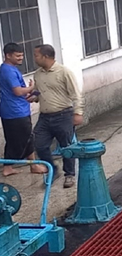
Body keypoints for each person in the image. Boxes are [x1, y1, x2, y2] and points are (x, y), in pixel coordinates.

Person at [32, 44, 83, 188]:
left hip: (63, 115)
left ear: (46, 56)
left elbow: (76, 95)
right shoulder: (38, 74)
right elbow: (38, 91)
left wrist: (78, 112)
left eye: (36, 55)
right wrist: (33, 97)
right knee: (39, 144)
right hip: (45, 117)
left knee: (67, 146)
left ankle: (70, 175)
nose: (34, 58)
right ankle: (53, 169)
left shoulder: (64, 72)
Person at [0, 43, 46, 176]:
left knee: (21, 138)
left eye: (22, 55)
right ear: (8, 55)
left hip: (17, 109)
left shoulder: (10, 69)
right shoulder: (8, 70)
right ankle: (13, 167)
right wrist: (32, 88)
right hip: (15, 112)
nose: (21, 58)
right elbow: (18, 91)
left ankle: (29, 165)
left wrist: (32, 94)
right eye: (17, 56)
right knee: (23, 139)